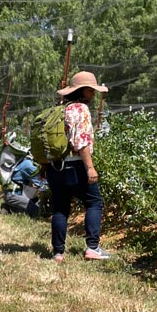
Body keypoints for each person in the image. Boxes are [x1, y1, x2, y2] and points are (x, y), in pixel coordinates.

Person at [48, 71, 111, 263]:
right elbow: (81, 142)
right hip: (76, 166)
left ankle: (58, 253)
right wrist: (90, 168)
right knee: (94, 202)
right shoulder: (80, 109)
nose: (93, 94)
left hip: (55, 166)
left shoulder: (59, 109)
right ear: (83, 91)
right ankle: (93, 247)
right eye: (92, 90)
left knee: (60, 208)